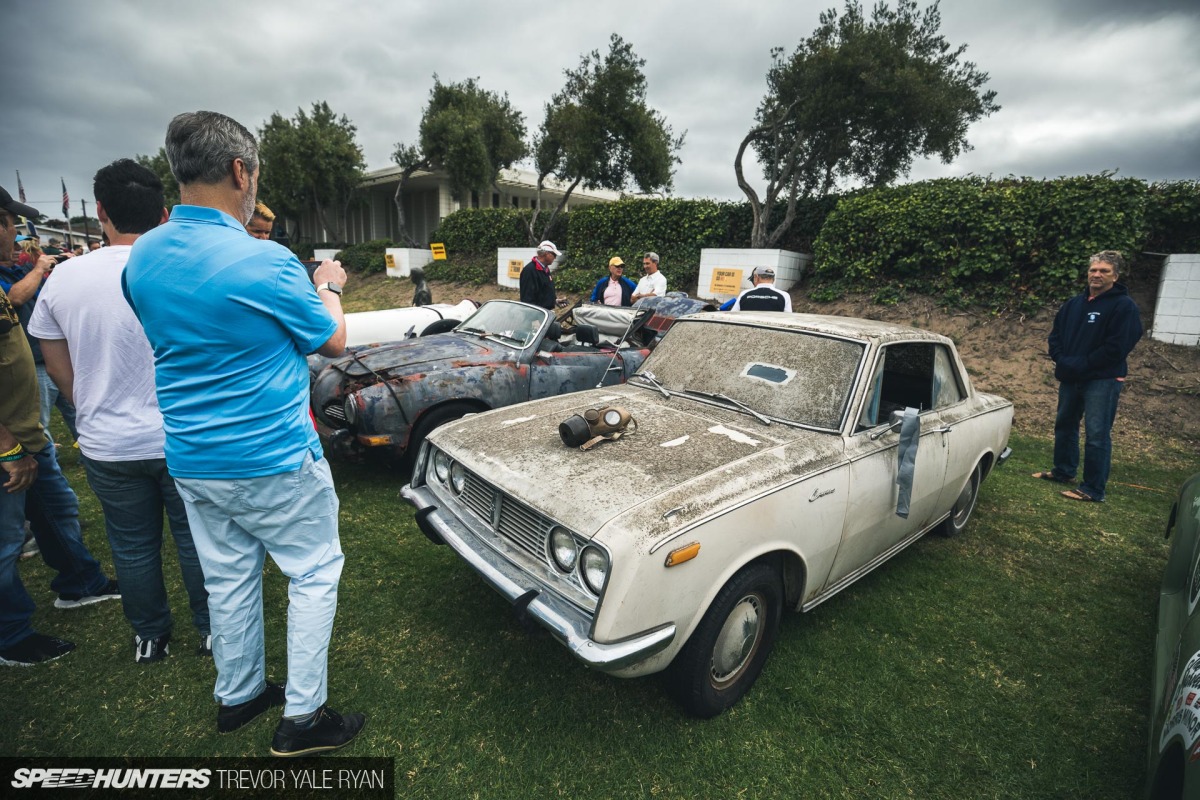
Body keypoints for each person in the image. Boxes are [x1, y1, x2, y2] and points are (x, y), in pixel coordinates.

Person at [122, 110, 364, 756]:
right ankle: (303, 718)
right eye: (255, 172)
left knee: (228, 578)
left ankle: (240, 693)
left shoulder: (143, 255)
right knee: (313, 571)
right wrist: (329, 286)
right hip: (272, 454)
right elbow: (333, 341)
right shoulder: (269, 261)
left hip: (193, 455)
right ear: (240, 171)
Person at [28, 159, 211, 664]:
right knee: (196, 541)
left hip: (108, 441)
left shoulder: (64, 278)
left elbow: (55, 363)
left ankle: (150, 636)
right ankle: (211, 629)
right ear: (165, 213)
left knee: (132, 545)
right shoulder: (185, 269)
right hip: (182, 434)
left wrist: (89, 402)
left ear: (101, 211)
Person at [1, 191, 120, 668]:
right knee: (6, 541)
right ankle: (11, 637)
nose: (15, 235)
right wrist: (8, 447)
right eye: (10, 223)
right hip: (8, 443)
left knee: (56, 509)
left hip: (27, 433)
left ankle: (80, 583)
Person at [1032, 250, 1143, 503]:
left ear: (1115, 276)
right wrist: (1062, 359)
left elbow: (1117, 347)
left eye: (1104, 271)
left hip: (1103, 379)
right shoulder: (1073, 304)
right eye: (1093, 270)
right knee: (1065, 425)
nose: (1097, 274)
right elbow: (1055, 336)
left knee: (1097, 434)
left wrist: (1082, 364)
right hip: (1072, 376)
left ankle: (1093, 489)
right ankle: (1063, 471)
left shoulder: (1124, 306)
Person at [0, 226, 80, 446]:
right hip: (32, 362)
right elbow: (14, 297)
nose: (16, 249)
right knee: (39, 421)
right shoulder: (24, 274)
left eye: (19, 245)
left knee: (78, 410)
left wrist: (67, 268)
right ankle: (46, 458)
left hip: (54, 355)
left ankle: (91, 452)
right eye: (13, 244)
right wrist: (38, 269)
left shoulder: (21, 271)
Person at [519, 240, 561, 309]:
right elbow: (527, 300)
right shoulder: (529, 271)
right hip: (536, 313)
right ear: (547, 254)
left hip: (545, 312)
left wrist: (554, 301)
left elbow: (544, 292)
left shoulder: (545, 269)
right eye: (554, 255)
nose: (555, 258)